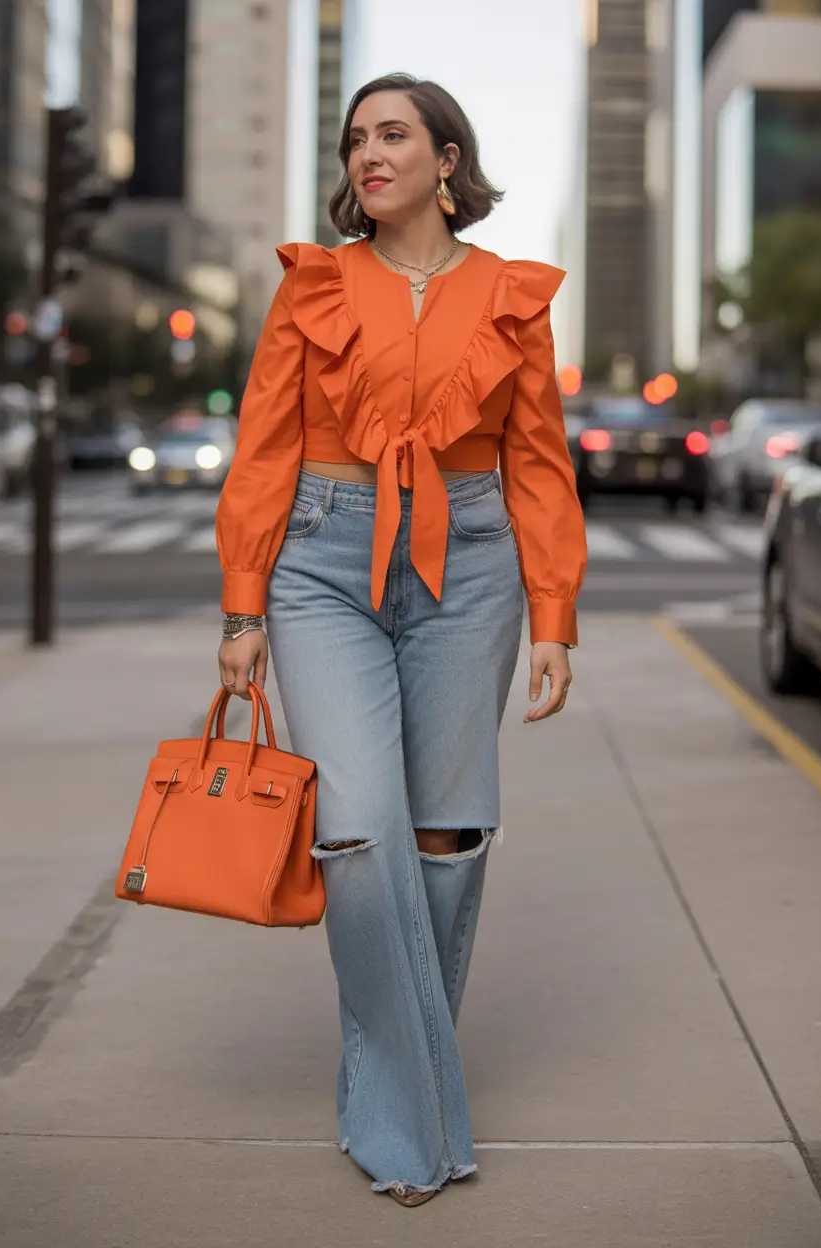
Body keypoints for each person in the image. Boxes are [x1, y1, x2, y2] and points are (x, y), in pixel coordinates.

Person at [215, 72, 587, 1207]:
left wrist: (553, 613)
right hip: (322, 562)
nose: (366, 156)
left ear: (445, 158)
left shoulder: (510, 295)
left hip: (470, 568)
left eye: (391, 136)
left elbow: (536, 459)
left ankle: (388, 1084)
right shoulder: (312, 286)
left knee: (443, 835)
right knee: (362, 830)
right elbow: (266, 441)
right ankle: (414, 1117)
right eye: (353, 141)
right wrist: (242, 605)